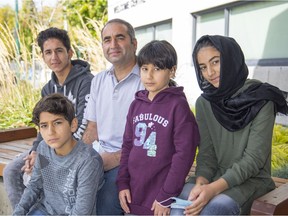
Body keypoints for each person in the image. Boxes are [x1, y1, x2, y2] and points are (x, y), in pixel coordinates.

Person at [170, 35, 288, 215]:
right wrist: (202, 182)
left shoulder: (261, 99)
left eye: (215, 62)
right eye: (203, 67)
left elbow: (254, 160)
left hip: (251, 181)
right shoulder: (205, 102)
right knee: (180, 207)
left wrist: (212, 189)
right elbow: (207, 154)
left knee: (214, 209)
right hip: (214, 175)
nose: (210, 72)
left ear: (231, 58)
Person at [4, 27, 93, 209]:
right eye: (48, 52)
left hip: (74, 150)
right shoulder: (47, 89)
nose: (54, 57)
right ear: (43, 57)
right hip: (51, 147)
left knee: (45, 173)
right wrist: (35, 151)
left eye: (59, 51)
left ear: (69, 52)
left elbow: (84, 122)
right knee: (12, 170)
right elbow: (42, 126)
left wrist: (50, 155)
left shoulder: (87, 82)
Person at [116, 40, 199, 215]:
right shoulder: (136, 105)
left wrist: (166, 195)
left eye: (157, 68)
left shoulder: (178, 106)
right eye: (145, 68)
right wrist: (122, 183)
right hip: (133, 195)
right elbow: (127, 146)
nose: (149, 75)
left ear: (172, 71)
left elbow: (184, 154)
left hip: (159, 199)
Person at [82, 18, 144, 215]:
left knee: (105, 199)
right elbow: (92, 128)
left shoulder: (148, 80)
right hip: (100, 155)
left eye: (120, 38)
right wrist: (77, 158)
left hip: (133, 160)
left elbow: (150, 140)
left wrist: (112, 159)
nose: (113, 45)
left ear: (134, 43)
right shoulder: (99, 80)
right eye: (107, 40)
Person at [13, 93, 104, 215]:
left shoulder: (88, 161)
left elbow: (82, 212)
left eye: (57, 123)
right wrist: (18, 212)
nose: (51, 132)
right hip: (45, 210)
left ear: (73, 125)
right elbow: (35, 185)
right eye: (44, 126)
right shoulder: (44, 149)